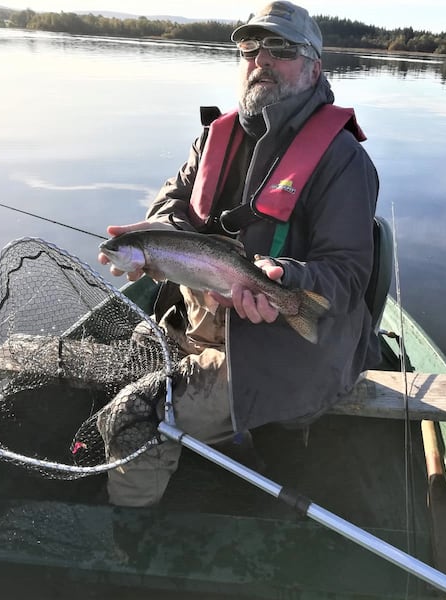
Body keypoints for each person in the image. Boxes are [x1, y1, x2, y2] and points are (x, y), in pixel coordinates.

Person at [98, 0, 381, 507]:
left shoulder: (344, 162)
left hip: (289, 351)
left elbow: (348, 274)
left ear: (314, 67)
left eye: (280, 49)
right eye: (250, 47)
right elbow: (172, 205)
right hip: (202, 322)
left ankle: (129, 537)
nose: (261, 59)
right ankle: (225, 437)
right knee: (128, 360)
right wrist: (154, 234)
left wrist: (286, 281)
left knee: (131, 417)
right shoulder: (213, 137)